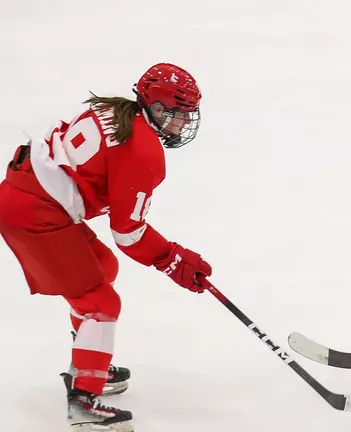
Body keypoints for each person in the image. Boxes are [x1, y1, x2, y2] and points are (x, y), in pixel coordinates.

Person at [0, 63, 214, 431]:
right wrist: (173, 259)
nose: (184, 123)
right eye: (178, 113)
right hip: (37, 212)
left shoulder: (116, 109)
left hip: (23, 193)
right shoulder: (143, 151)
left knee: (103, 268)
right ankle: (83, 401)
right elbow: (128, 233)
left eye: (188, 113)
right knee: (101, 303)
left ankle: (88, 361)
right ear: (156, 108)